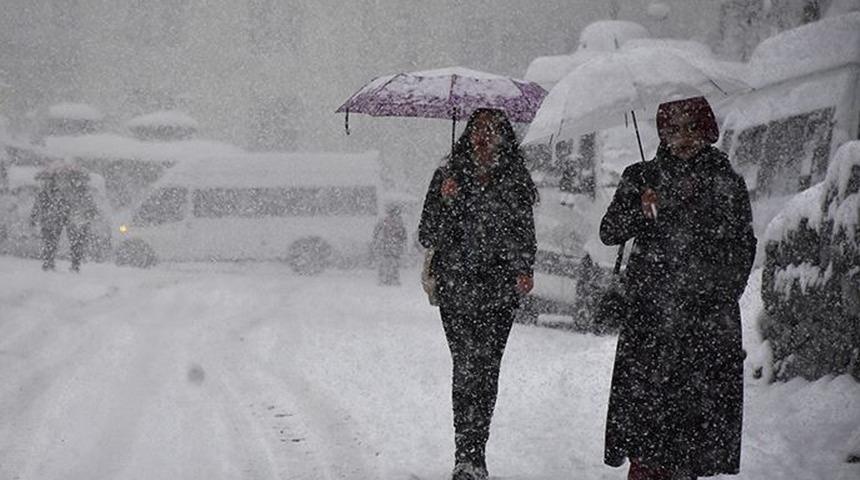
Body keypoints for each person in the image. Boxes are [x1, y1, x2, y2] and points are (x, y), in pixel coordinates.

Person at [599, 96, 756, 480]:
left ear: (706, 130)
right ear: (661, 133)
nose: (682, 137)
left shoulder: (726, 181)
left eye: (691, 127)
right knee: (646, 423)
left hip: (704, 324)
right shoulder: (640, 177)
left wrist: (715, 292)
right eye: (673, 128)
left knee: (693, 428)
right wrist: (641, 209)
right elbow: (609, 232)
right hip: (650, 322)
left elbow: (742, 247)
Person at [418, 108, 538, 480]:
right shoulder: (448, 176)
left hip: (499, 291)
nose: (484, 137)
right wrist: (446, 199)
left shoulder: (515, 180)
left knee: (486, 370)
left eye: (493, 130)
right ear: (468, 134)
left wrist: (523, 268)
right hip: (456, 287)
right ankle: (464, 453)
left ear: (504, 137)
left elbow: (524, 233)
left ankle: (476, 452)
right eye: (479, 130)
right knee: (466, 367)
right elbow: (427, 234)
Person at [30, 165, 97, 272]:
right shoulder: (58, 192)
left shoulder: (65, 192)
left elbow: (66, 205)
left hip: (61, 220)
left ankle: (57, 263)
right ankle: (55, 263)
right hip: (61, 220)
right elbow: (40, 206)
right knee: (55, 242)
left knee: (56, 242)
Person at [371, 203, 408, 285]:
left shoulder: (385, 221)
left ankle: (385, 279)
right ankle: (392, 279)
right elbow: (403, 235)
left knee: (386, 263)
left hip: (387, 246)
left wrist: (376, 240)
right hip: (394, 246)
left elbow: (377, 231)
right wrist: (402, 243)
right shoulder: (398, 222)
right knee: (393, 264)